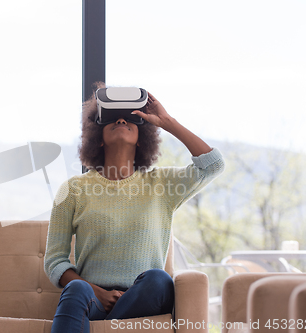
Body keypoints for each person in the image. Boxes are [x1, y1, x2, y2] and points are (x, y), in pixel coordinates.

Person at [44, 82, 225, 333]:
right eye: (111, 119)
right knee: (77, 288)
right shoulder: (73, 189)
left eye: (129, 118)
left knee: (159, 279)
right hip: (93, 298)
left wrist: (167, 121)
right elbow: (55, 261)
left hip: (145, 296)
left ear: (142, 139)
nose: (120, 120)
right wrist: (98, 292)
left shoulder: (162, 184)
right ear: (97, 138)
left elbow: (213, 165)